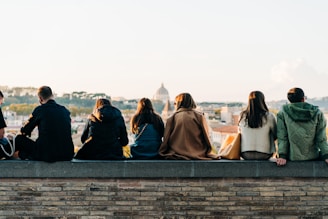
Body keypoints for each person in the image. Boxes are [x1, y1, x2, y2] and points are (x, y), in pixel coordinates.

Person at [15, 86, 74, 162]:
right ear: (52, 95)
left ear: (40, 98)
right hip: (67, 154)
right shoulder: (65, 111)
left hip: (47, 154)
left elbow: (25, 130)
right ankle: (23, 154)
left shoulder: (40, 110)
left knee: (19, 139)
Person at [276, 87, 328, 166]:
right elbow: (321, 137)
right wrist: (326, 155)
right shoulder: (317, 112)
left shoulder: (283, 113)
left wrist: (282, 155)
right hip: (313, 156)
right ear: (303, 99)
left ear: (289, 100)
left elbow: (282, 137)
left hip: (292, 157)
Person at [159, 92, 219, 160]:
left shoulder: (172, 118)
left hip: (176, 153)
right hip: (198, 152)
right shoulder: (199, 116)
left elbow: (166, 138)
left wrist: (162, 151)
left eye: (175, 103)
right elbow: (206, 136)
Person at [238, 91, 277, 160]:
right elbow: (276, 134)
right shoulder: (269, 116)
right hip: (264, 153)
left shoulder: (242, 116)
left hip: (245, 154)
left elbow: (239, 133)